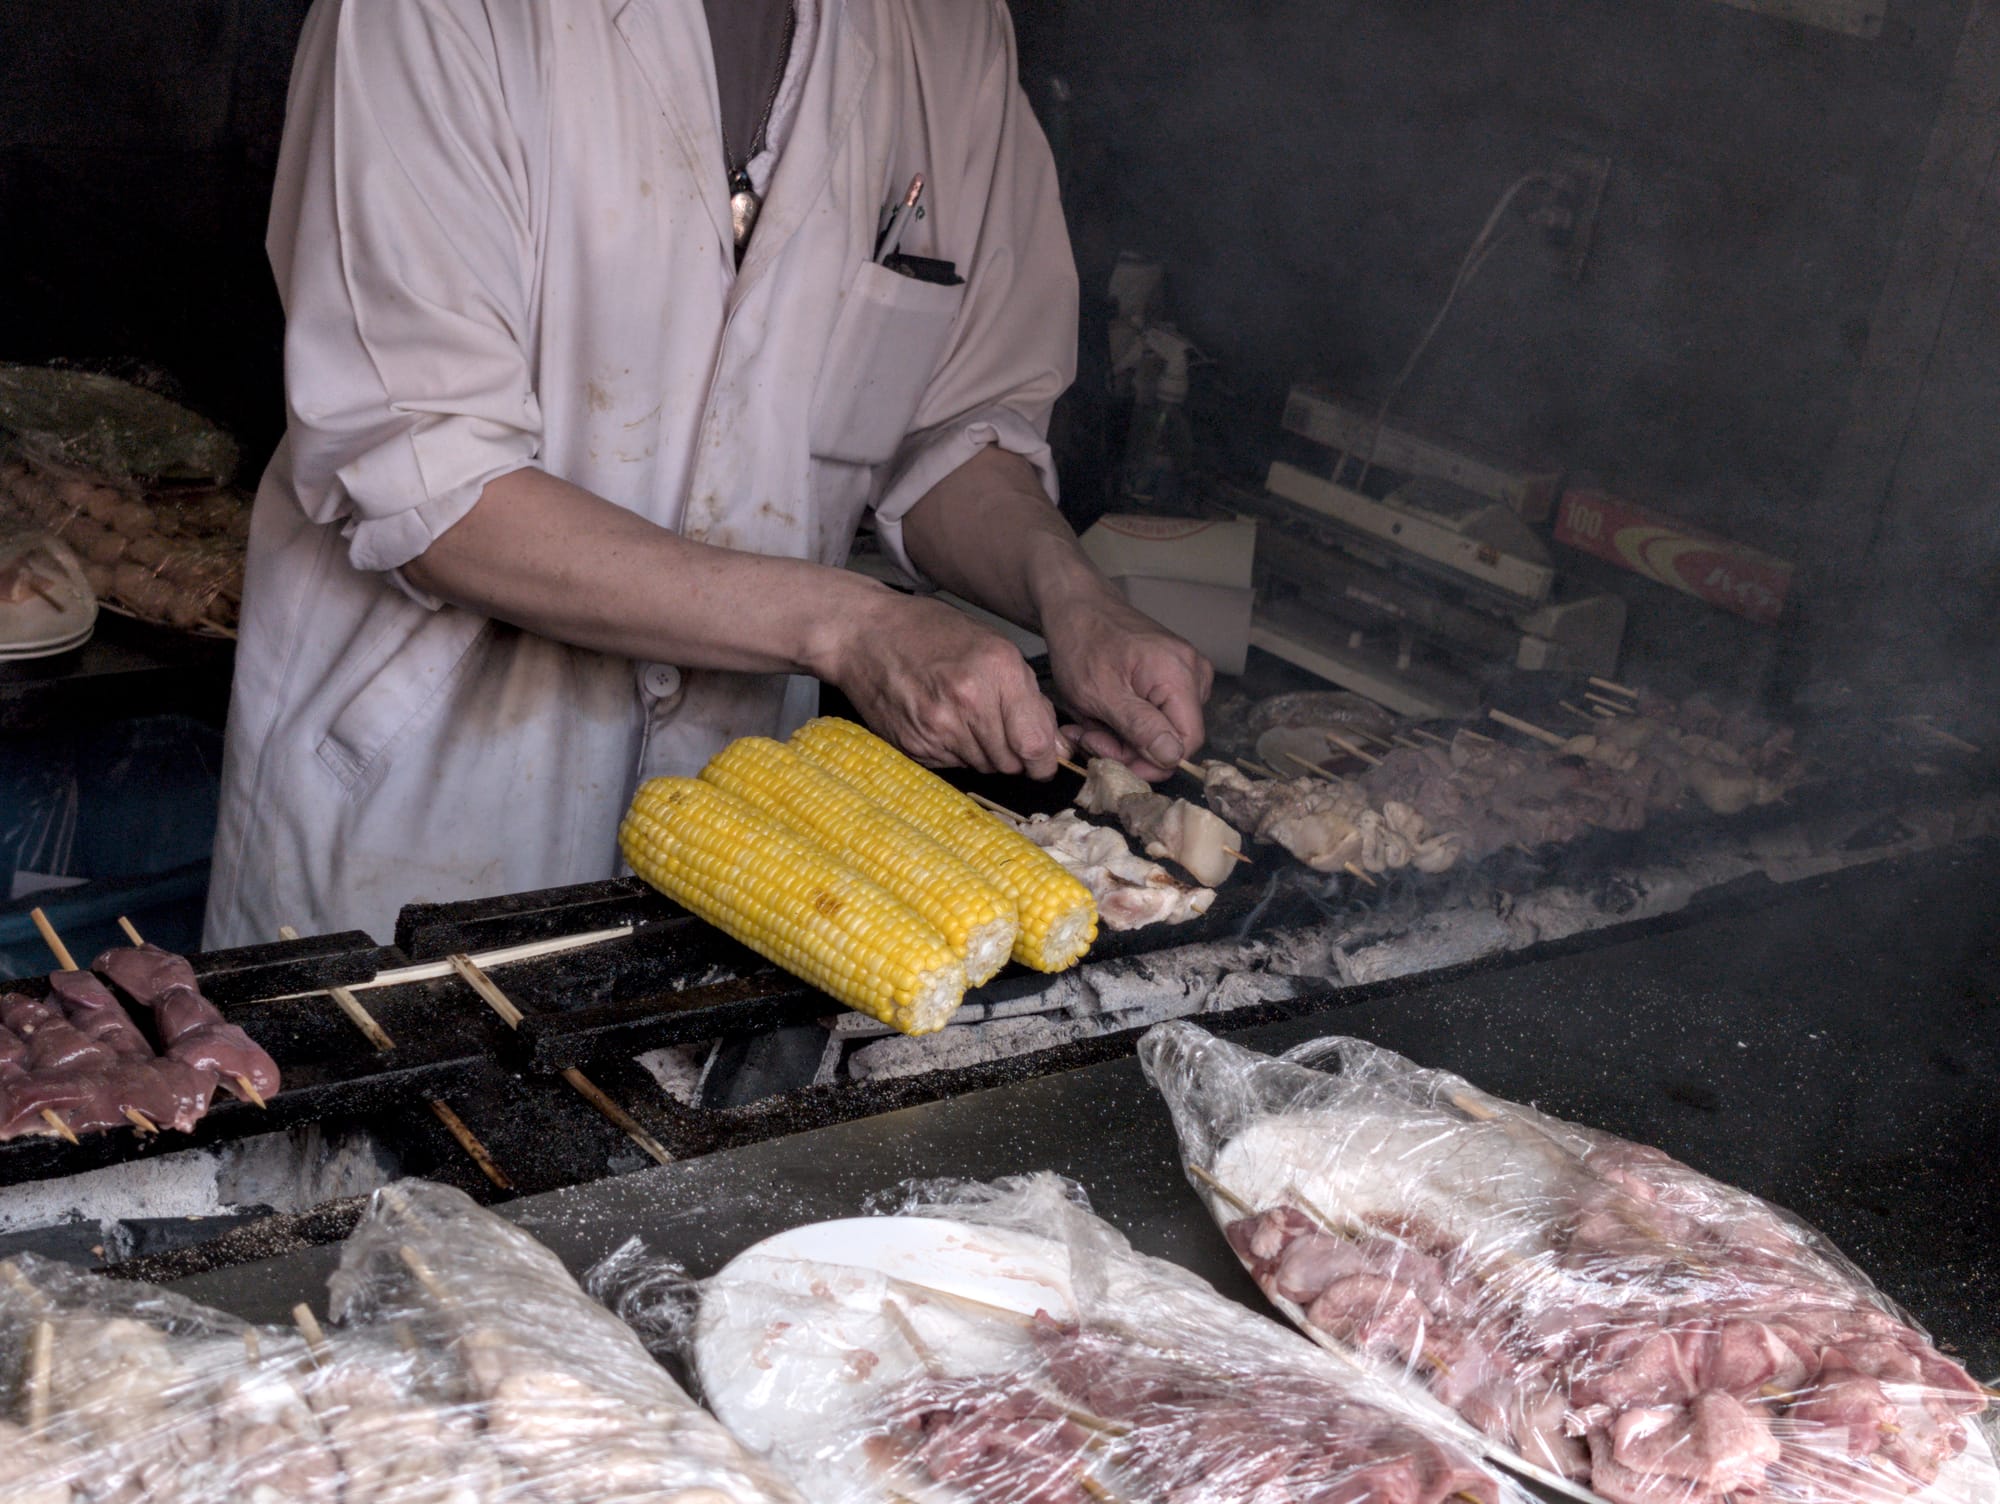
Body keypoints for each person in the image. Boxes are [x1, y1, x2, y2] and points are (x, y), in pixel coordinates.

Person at [204, 0, 1212, 948]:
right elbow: (429, 480)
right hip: (418, 807)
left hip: (740, 830)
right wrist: (853, 627)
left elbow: (951, 424)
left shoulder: (940, 31)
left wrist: (1072, 599)